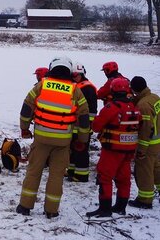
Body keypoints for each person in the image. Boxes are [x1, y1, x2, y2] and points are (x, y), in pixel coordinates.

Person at [16, 56, 90, 218]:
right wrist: (82, 140)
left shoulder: (42, 85)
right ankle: (51, 210)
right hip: (63, 142)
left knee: (34, 172)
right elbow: (84, 118)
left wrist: (24, 128)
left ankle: (25, 206)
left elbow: (26, 108)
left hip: (41, 139)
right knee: (56, 176)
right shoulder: (75, 90)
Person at [86, 78, 141, 217]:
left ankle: (105, 209)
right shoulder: (134, 108)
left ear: (113, 90)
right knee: (124, 178)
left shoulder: (112, 107)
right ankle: (120, 207)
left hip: (112, 149)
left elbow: (96, 126)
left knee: (105, 177)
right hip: (129, 150)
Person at [128, 76, 160, 210]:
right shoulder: (154, 98)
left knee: (144, 171)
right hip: (157, 142)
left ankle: (145, 200)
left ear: (135, 90)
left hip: (149, 144)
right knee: (156, 168)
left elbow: (146, 129)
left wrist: (141, 150)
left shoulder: (143, 106)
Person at [66, 63, 98, 182]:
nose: (74, 77)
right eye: (72, 75)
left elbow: (92, 110)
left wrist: (87, 125)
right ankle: (71, 171)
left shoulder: (88, 88)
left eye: (76, 75)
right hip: (73, 125)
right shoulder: (75, 86)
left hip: (83, 127)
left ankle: (81, 175)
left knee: (81, 150)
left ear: (82, 74)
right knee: (72, 149)